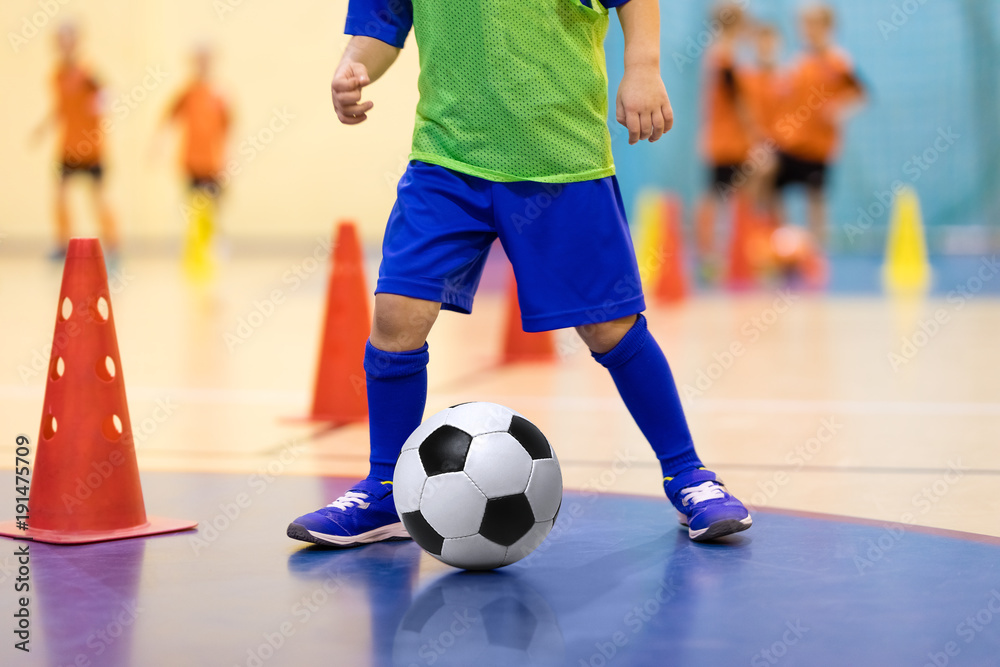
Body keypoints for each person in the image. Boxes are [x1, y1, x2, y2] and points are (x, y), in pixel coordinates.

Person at [288, 0, 752, 548]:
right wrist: (353, 65)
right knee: (396, 315)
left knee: (611, 328)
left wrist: (643, 67)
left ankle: (688, 474)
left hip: (560, 154)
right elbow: (384, 19)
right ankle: (386, 487)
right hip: (446, 157)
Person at [769, 3, 866, 248]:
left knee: (815, 199)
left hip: (818, 146)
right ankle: (784, 241)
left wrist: (839, 109)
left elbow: (860, 94)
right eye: (803, 25)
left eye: (812, 25)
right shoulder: (799, 62)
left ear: (827, 26)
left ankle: (817, 250)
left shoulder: (838, 61)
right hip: (790, 142)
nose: (806, 30)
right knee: (769, 183)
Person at [32, 22, 119, 260]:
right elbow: (61, 107)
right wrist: (43, 127)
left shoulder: (88, 72)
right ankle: (63, 244)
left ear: (76, 41)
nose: (63, 44)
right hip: (68, 148)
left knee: (99, 198)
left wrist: (100, 105)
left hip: (91, 148)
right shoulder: (57, 75)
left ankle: (113, 248)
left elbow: (107, 95)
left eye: (67, 38)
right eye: (59, 39)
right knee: (59, 195)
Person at [693, 4, 756, 283]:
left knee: (723, 197)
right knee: (721, 197)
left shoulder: (721, 55)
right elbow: (739, 104)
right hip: (727, 142)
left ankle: (723, 255)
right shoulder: (724, 57)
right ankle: (711, 255)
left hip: (726, 140)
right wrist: (755, 134)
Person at [157, 46, 231, 278]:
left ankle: (212, 244)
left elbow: (229, 128)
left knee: (213, 206)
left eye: (205, 59)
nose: (202, 64)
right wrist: (157, 145)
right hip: (190, 160)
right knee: (192, 206)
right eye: (198, 59)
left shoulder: (220, 94)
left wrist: (230, 159)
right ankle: (194, 248)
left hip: (213, 162)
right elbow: (168, 118)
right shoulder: (186, 92)